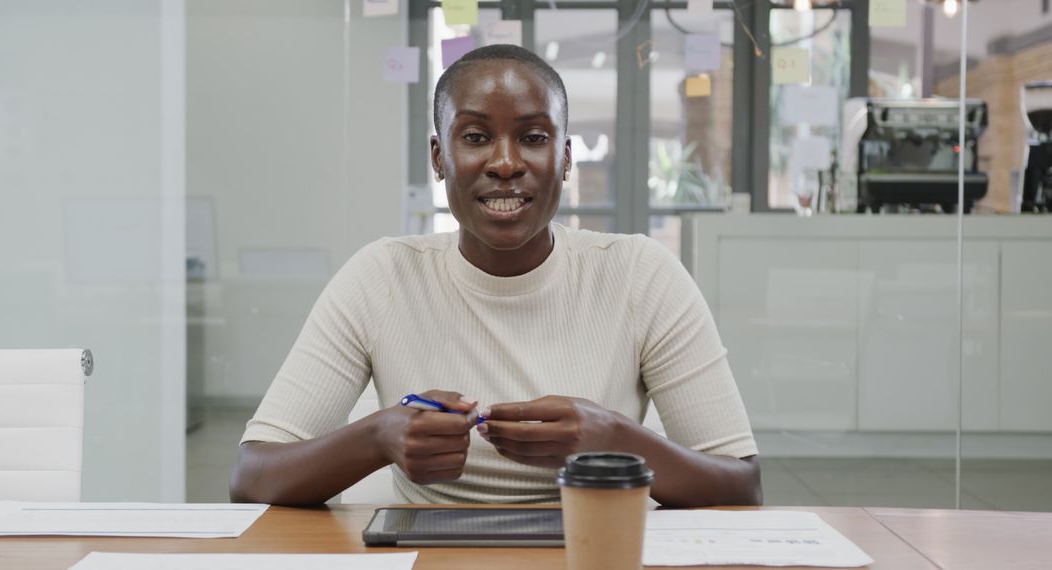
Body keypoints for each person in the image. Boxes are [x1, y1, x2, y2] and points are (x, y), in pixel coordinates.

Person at [230, 44, 760, 508]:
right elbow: (253, 477)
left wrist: (615, 439)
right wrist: (376, 438)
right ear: (439, 158)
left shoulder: (641, 275)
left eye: (533, 137)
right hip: (429, 551)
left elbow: (741, 484)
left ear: (566, 157)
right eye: (476, 136)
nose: (505, 163)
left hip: (595, 545)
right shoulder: (381, 275)